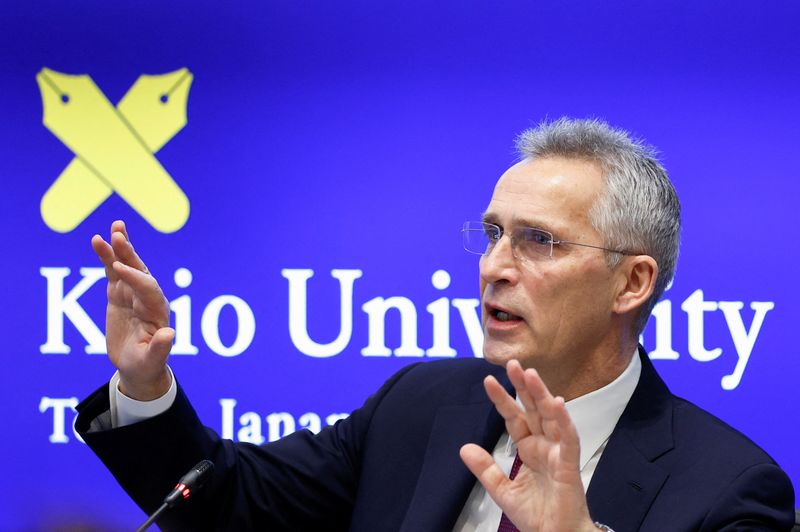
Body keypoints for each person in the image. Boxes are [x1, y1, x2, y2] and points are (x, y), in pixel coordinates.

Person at [76, 118, 795, 531]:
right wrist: (145, 385)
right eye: (492, 235)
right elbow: (226, 502)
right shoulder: (423, 408)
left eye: (538, 241)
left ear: (631, 283)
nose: (494, 267)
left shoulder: (732, 491)